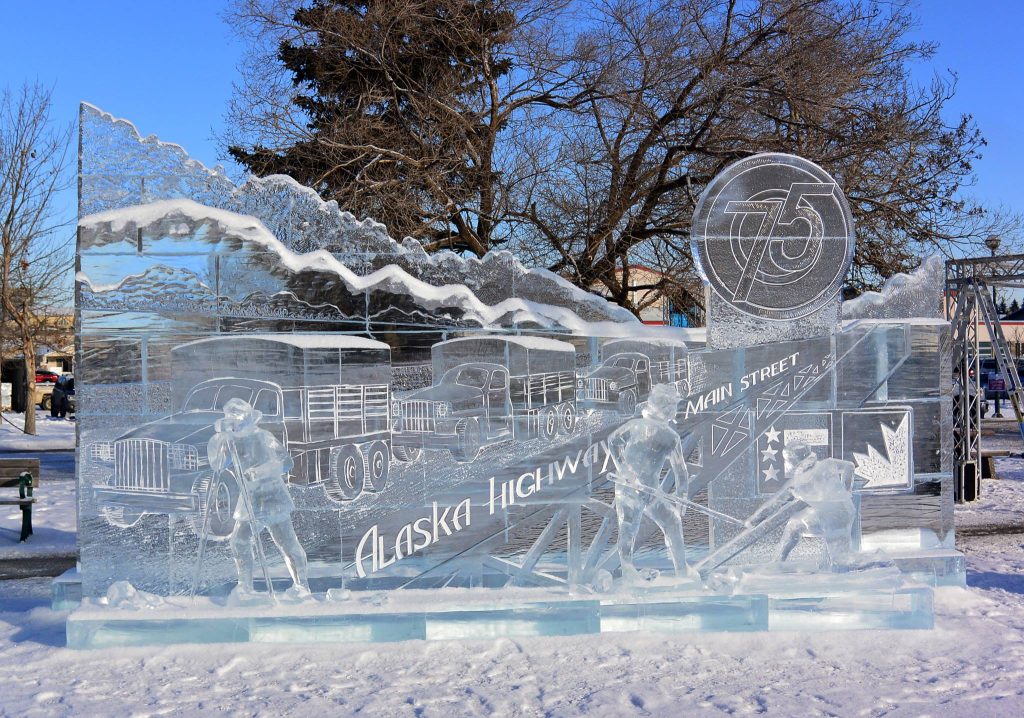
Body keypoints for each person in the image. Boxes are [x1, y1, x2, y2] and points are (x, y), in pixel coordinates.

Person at [207, 398, 310, 599]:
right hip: (250, 500)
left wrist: (260, 472)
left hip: (272, 497)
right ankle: (245, 586)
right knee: (239, 541)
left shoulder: (264, 437)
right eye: (230, 416)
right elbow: (218, 465)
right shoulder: (231, 441)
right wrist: (219, 439)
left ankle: (302, 585)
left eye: (237, 416)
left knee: (287, 543)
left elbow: (286, 462)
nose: (234, 420)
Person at [607, 383, 691, 583]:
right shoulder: (665, 435)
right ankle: (630, 570)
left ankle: (681, 570)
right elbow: (681, 472)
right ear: (668, 408)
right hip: (629, 489)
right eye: (674, 406)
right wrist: (624, 470)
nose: (676, 410)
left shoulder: (667, 435)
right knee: (629, 525)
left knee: (669, 521)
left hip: (649, 491)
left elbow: (612, 440)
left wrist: (683, 496)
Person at [747, 440, 856, 566]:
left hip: (831, 519)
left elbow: (774, 504)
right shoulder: (829, 463)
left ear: (793, 460)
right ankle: (778, 562)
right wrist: (846, 491)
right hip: (846, 511)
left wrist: (753, 520)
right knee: (795, 524)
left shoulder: (796, 484)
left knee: (842, 562)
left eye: (786, 459)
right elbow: (849, 466)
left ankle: (879, 559)